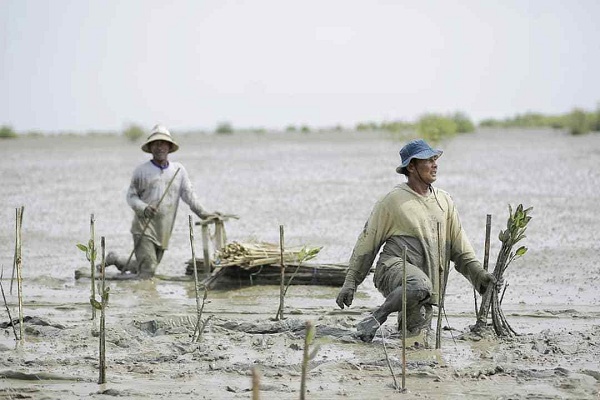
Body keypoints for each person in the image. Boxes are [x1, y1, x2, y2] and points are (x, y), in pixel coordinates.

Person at [335, 138, 498, 342]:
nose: (435, 164)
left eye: (435, 159)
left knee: (415, 337)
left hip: (425, 285)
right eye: (428, 160)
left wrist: (480, 277)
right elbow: (368, 242)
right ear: (411, 166)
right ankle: (376, 318)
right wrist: (351, 282)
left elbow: (460, 247)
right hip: (392, 268)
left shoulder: (444, 201)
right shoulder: (393, 200)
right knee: (418, 285)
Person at [105, 124, 221, 279]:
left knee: (146, 266)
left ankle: (115, 259)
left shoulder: (178, 171)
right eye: (156, 144)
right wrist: (144, 208)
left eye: (163, 143)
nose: (159, 147)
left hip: (163, 230)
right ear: (150, 147)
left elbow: (189, 196)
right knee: (148, 271)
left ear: (169, 147)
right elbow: (131, 197)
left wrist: (205, 214)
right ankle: (118, 283)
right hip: (143, 227)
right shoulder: (141, 171)